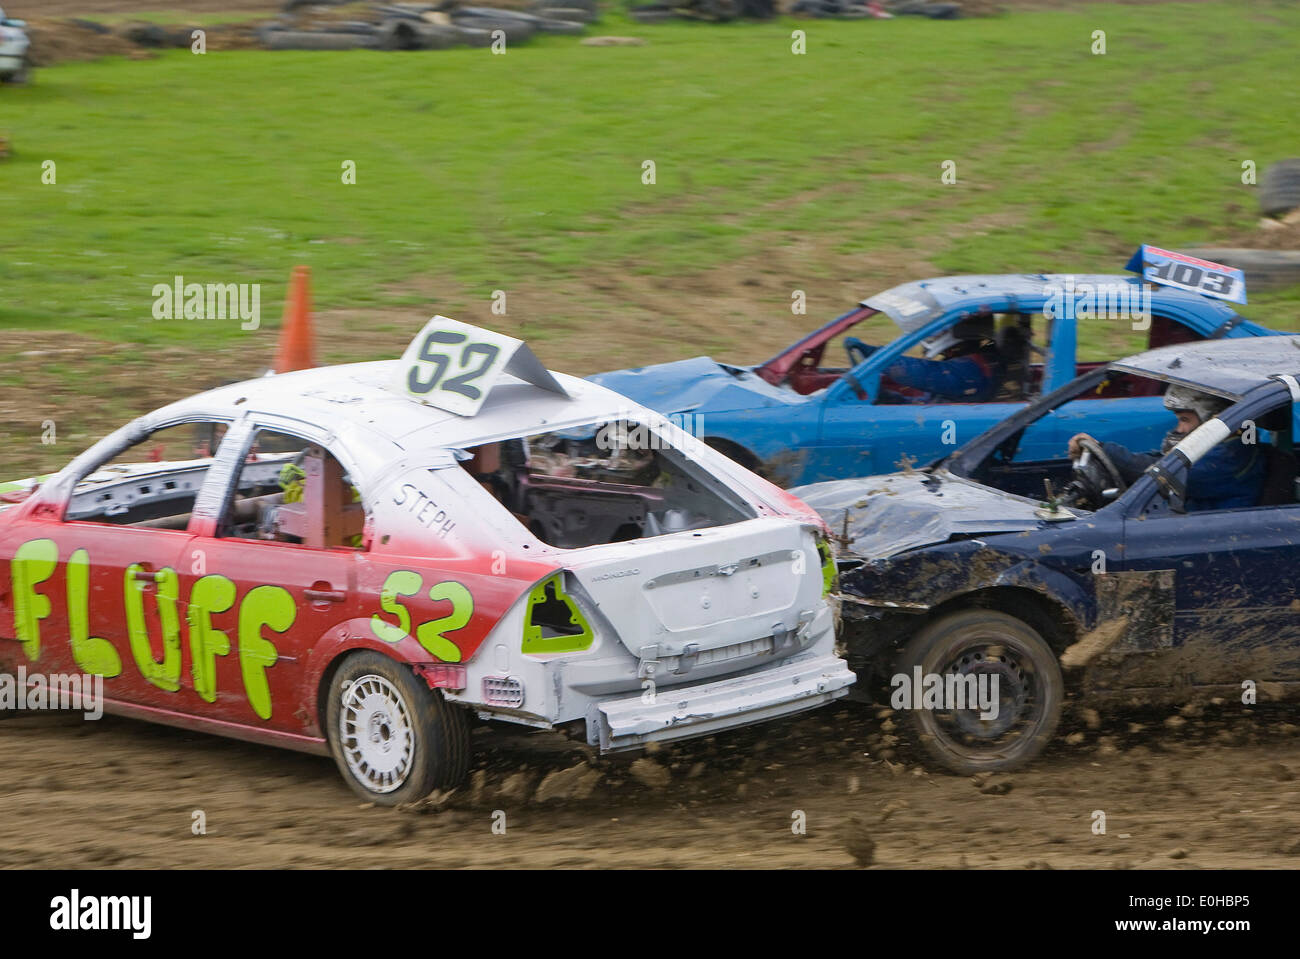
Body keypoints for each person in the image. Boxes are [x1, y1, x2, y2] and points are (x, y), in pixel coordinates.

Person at [1067, 385, 1265, 511]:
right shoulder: (1220, 448)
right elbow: (1159, 461)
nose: (1179, 429)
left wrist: (1105, 449)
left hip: (1213, 538)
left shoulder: (1231, 458)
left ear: (1211, 419)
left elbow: (1162, 473)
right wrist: (1101, 451)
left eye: (1185, 420)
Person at [846, 313, 1030, 404]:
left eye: (942, 328)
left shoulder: (971, 370)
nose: (935, 334)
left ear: (961, 331)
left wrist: (873, 354)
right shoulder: (981, 360)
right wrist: (889, 398)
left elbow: (921, 372)